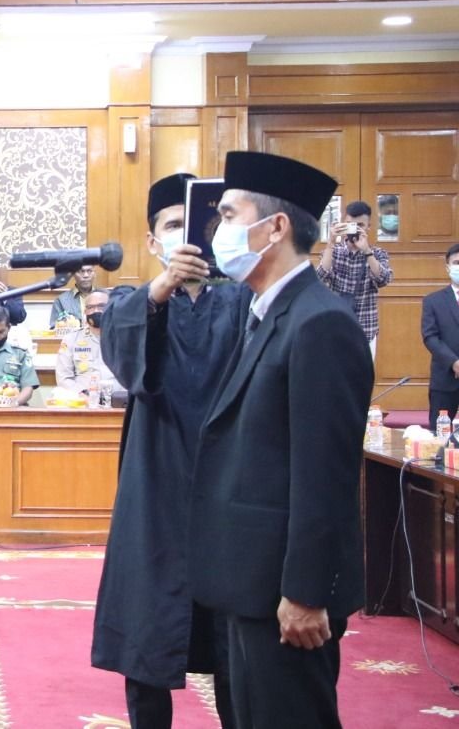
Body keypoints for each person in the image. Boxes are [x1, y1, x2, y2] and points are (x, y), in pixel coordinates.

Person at [190, 150, 373, 729]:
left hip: (287, 596)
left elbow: (325, 476)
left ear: (275, 228)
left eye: (228, 215)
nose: (216, 232)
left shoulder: (320, 323)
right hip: (250, 583)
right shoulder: (266, 313)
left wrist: (306, 593)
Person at [91, 172, 250, 729]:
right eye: (172, 225)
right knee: (148, 631)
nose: (185, 236)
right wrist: (160, 288)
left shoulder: (244, 302)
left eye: (198, 223)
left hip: (228, 485)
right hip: (156, 482)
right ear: (153, 240)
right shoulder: (134, 302)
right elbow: (123, 359)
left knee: (235, 644)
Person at [316, 199, 392, 356]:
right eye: (351, 225)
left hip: (365, 328)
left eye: (360, 225)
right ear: (343, 225)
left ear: (369, 227)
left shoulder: (377, 254)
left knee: (364, 372)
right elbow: (321, 276)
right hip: (335, 327)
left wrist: (367, 252)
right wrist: (330, 243)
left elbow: (384, 279)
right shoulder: (334, 252)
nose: (355, 230)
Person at [54, 289, 121, 399]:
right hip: (84, 400)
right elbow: (63, 378)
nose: (96, 311)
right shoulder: (71, 339)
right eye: (90, 307)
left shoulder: (126, 338)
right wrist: (81, 394)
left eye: (101, 306)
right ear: (85, 311)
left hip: (120, 400)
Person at [422, 242, 459, 431]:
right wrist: (454, 362)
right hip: (445, 378)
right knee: (439, 437)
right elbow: (430, 337)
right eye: (456, 263)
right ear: (447, 267)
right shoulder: (433, 301)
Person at [49, 264, 95, 330]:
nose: (86, 275)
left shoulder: (105, 297)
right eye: (81, 271)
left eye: (89, 271)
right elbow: (54, 328)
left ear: (94, 274)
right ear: (73, 274)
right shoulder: (61, 300)